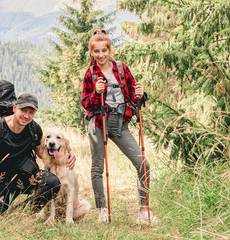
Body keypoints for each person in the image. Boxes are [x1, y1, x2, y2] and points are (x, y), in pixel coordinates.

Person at [81, 29, 153, 225]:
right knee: (97, 168)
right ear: (92, 53)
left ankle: (143, 211)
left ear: (109, 50)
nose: (101, 55)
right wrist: (96, 92)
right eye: (96, 52)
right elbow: (86, 103)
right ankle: (103, 210)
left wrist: (139, 94)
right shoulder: (90, 74)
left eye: (104, 50)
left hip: (120, 123)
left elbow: (132, 98)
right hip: (98, 123)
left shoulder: (122, 69)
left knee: (143, 164)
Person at [0, 93, 76, 214]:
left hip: (25, 177)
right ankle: (3, 207)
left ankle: (24, 212)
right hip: (1, 179)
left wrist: (69, 152)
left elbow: (42, 153)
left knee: (52, 182)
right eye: (23, 110)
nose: (26, 116)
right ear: (14, 108)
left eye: (31, 112)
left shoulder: (34, 129)